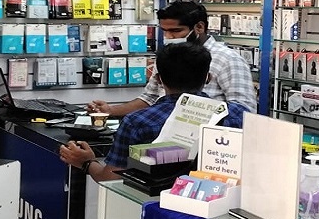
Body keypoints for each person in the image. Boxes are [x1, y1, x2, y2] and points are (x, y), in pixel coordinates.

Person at [60, 43, 247, 182]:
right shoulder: (236, 114)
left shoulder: (137, 121)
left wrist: (86, 162)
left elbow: (111, 178)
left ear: (158, 79)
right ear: (208, 78)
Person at [86, 0, 257, 117]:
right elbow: (150, 97)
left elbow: (244, 110)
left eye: (176, 31)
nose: (168, 37)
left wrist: (195, 114)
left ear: (199, 27)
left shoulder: (228, 60)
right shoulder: (168, 55)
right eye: (164, 31)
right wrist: (111, 110)